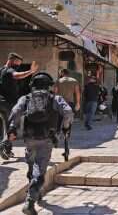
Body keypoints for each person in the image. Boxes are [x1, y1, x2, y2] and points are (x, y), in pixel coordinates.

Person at [7, 72, 73, 215]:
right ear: (49, 85)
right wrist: (65, 127)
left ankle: (35, 187)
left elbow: (15, 111)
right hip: (46, 138)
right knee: (40, 172)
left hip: (29, 138)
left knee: (32, 164)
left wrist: (12, 127)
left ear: (33, 85)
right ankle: (30, 202)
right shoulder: (55, 98)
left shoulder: (26, 98)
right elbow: (68, 112)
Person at [0, 53, 39, 160]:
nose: (18, 66)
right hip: (8, 104)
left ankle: (7, 150)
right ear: (11, 60)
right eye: (17, 63)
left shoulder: (1, 70)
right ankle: (4, 146)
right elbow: (17, 75)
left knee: (6, 127)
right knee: (11, 128)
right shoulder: (9, 71)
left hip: (1, 102)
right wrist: (30, 72)